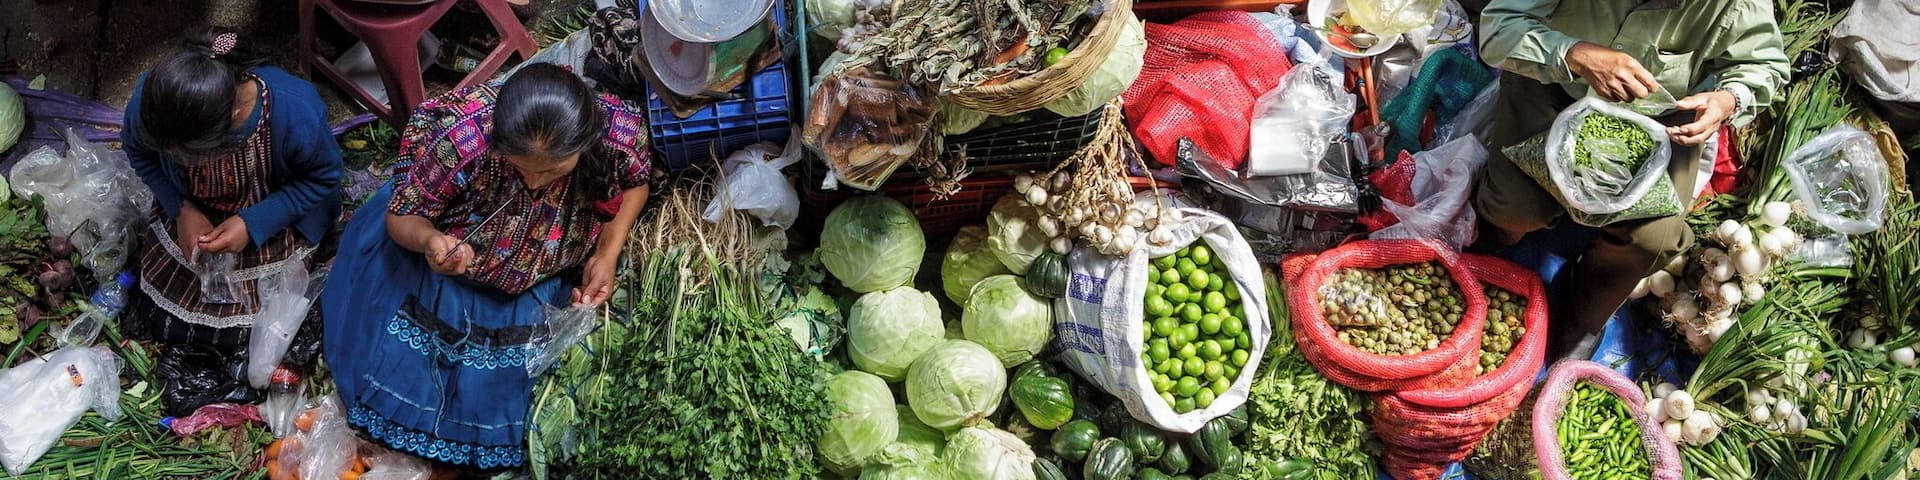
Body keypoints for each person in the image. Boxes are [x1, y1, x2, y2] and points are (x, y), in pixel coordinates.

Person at [321, 63, 651, 470]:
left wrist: (606, 253)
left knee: (519, 400)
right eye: (521, 166)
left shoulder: (618, 132)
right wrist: (430, 241)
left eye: (551, 170)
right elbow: (403, 216)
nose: (533, 183)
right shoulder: (464, 137)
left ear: (583, 145)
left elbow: (637, 182)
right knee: (406, 374)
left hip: (542, 268)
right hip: (455, 268)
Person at [1473, 0, 1789, 357]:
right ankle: (1494, 235)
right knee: (1514, 209)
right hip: (1556, 87)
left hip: (1657, 118)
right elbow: (1498, 28)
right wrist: (1574, 54)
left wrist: (1728, 100)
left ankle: (1586, 308)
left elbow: (1763, 65)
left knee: (1652, 239)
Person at [121, 27, 343, 415]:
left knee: (265, 322)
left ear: (235, 114)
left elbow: (323, 179)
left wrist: (253, 223)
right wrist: (182, 208)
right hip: (195, 209)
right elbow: (138, 152)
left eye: (193, 155)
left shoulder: (294, 110)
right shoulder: (156, 101)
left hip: (275, 208)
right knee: (170, 301)